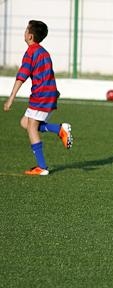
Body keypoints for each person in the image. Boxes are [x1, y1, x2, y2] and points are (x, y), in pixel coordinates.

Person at [3, 20, 72, 176]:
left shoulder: (31, 52)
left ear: (30, 36)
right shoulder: (44, 52)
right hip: (48, 94)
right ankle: (58, 129)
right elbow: (49, 74)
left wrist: (11, 99)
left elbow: (21, 76)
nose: (24, 32)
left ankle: (42, 167)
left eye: (26, 29)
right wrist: (55, 92)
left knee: (32, 127)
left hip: (40, 95)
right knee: (25, 123)